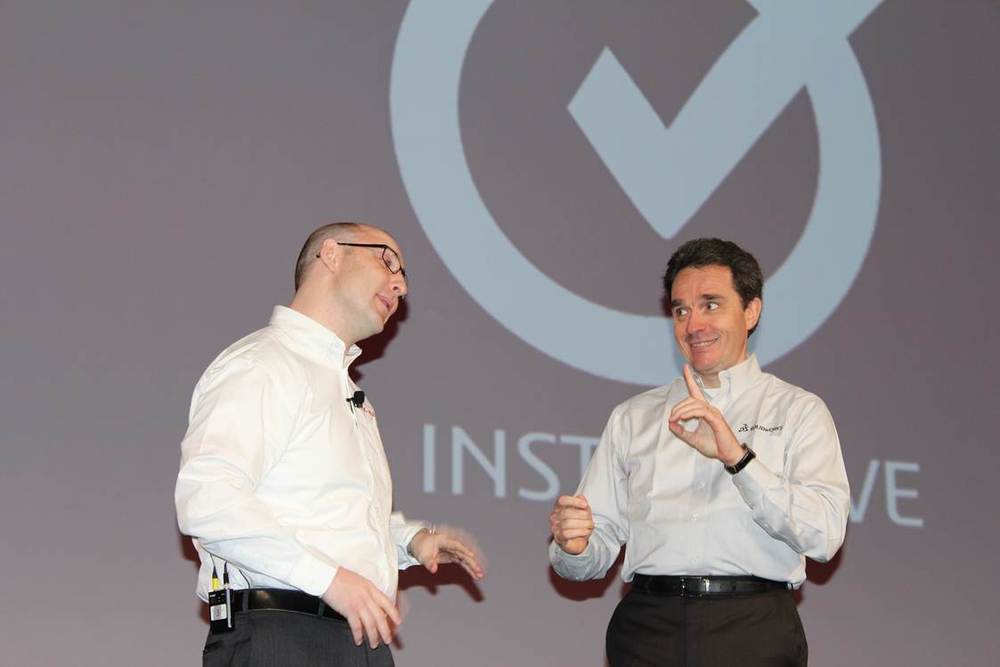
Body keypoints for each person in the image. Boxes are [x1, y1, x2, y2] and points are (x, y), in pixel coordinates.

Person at [176, 222, 484, 666]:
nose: (400, 285)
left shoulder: (346, 391)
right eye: (388, 261)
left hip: (357, 639)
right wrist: (330, 581)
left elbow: (324, 512)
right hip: (283, 636)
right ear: (332, 254)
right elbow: (209, 498)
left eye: (404, 277)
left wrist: (409, 541)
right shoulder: (263, 363)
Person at [549, 238, 849, 666]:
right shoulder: (634, 417)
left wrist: (739, 460)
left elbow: (824, 535)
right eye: (681, 311)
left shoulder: (798, 410)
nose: (693, 325)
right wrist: (574, 547)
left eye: (711, 305)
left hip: (754, 627)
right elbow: (593, 552)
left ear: (751, 311)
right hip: (648, 628)